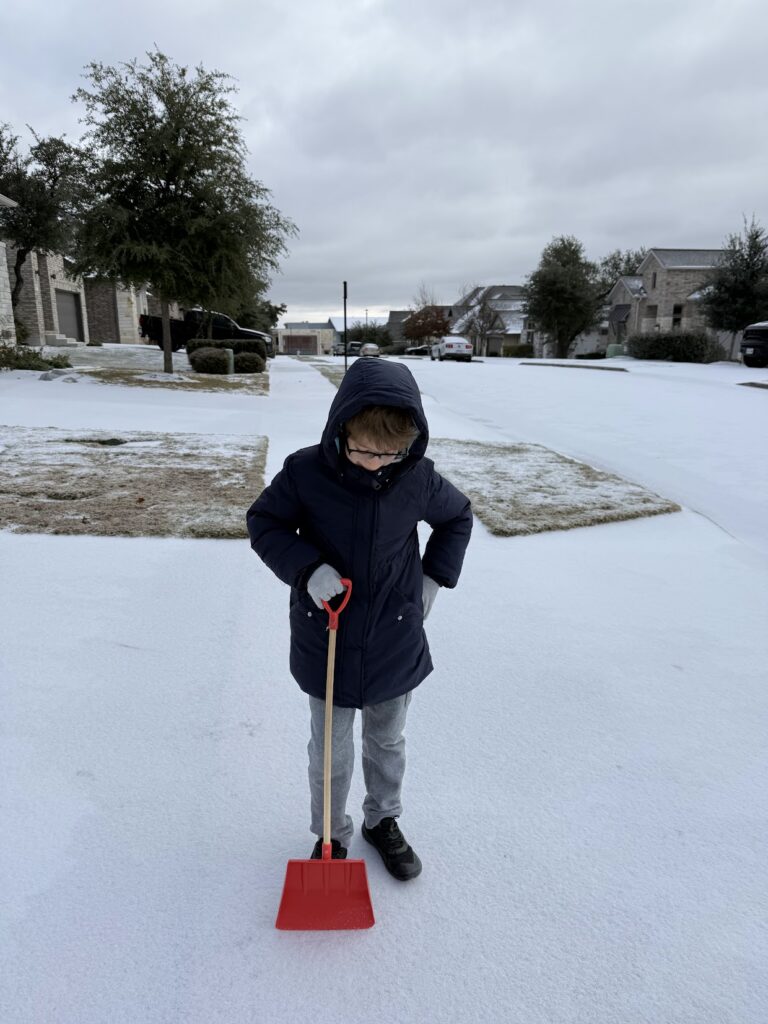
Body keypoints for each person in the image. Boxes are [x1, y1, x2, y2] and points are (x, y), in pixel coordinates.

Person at [246, 357, 472, 880]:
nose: (376, 463)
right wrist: (306, 569)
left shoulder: (415, 477)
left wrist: (433, 578)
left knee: (387, 740)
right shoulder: (305, 472)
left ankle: (383, 820)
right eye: (365, 450)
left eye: (390, 453)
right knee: (330, 747)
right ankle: (330, 835)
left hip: (394, 635)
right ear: (341, 428)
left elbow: (457, 517)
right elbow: (264, 523)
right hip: (325, 634)